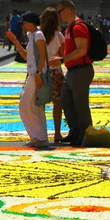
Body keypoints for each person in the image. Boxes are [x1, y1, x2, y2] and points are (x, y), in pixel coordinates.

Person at [5, 11, 50, 148]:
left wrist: (37, 74)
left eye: (24, 23)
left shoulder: (38, 35)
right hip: (32, 73)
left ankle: (39, 136)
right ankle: (39, 137)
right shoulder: (32, 36)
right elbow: (25, 56)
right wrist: (15, 42)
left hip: (36, 74)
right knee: (34, 107)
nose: (23, 26)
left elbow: (42, 56)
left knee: (25, 105)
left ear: (30, 23)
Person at [56, 0, 95, 146]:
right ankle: (75, 132)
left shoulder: (78, 27)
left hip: (81, 71)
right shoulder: (70, 27)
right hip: (72, 70)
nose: (59, 15)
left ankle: (86, 134)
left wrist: (62, 59)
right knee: (65, 100)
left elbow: (82, 50)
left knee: (80, 104)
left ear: (67, 10)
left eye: (60, 12)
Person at [41, 8, 66, 144]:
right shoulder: (59, 35)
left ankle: (42, 132)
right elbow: (64, 55)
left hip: (43, 71)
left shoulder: (38, 35)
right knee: (57, 103)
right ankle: (57, 133)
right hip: (55, 72)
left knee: (41, 103)